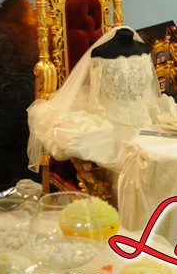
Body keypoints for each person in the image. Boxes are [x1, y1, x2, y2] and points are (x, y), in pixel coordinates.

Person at [26, 26, 164, 176]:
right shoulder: (101, 54)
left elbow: (148, 92)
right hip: (113, 127)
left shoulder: (145, 49)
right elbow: (95, 95)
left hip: (146, 122)